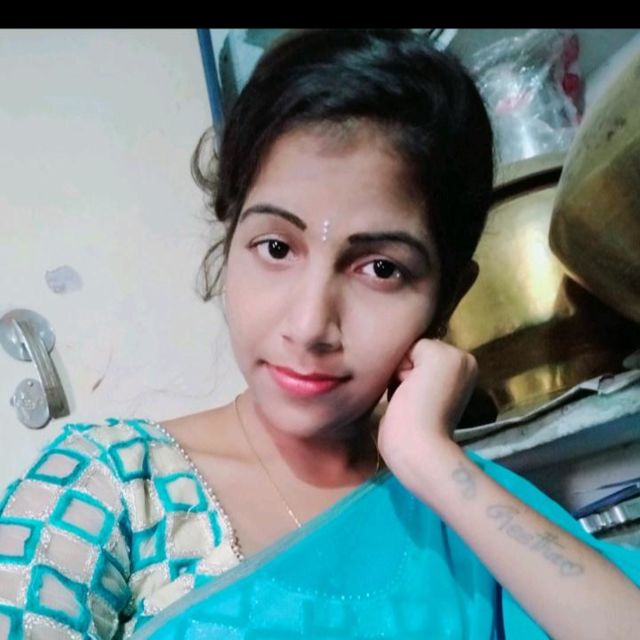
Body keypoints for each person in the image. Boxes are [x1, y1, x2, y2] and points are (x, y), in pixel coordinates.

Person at [0, 28, 638, 640]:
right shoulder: (107, 492)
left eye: (381, 269)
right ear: (230, 240)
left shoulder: (464, 506)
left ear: (447, 297)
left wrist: (433, 464)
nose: (309, 327)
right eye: (276, 247)